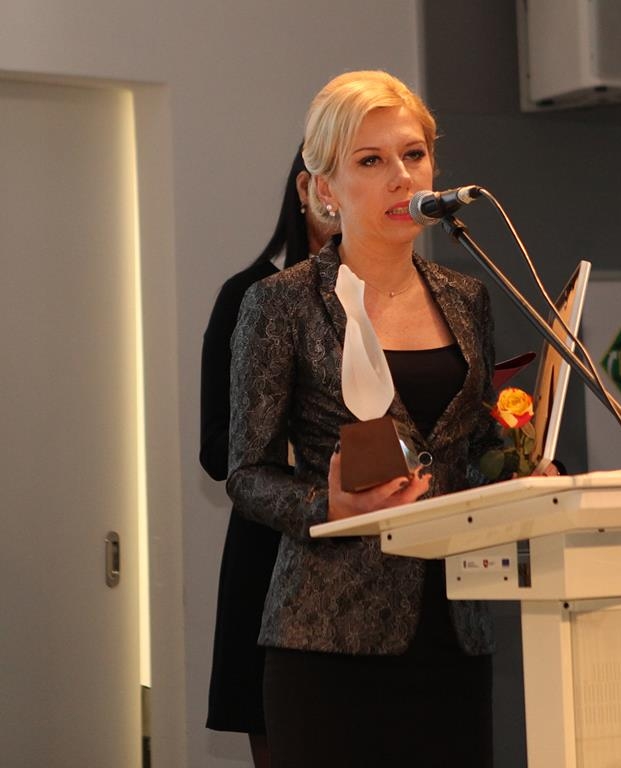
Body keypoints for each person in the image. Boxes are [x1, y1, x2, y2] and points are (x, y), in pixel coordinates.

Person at [227, 70, 505, 768]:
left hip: (455, 630)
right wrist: (327, 505)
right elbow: (246, 473)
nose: (400, 177)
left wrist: (521, 472)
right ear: (326, 188)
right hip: (329, 639)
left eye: (414, 155)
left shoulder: (467, 297)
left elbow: (473, 444)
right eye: (371, 160)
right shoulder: (280, 303)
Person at [200, 145, 338, 768]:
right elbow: (217, 449)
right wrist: (314, 448)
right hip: (272, 552)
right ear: (307, 190)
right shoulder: (248, 294)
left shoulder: (393, 297)